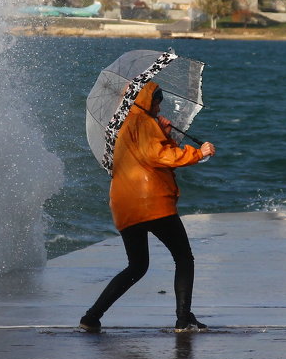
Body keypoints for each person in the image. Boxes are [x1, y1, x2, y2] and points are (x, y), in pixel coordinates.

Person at [80, 81, 216, 334]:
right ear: (144, 100)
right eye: (157, 98)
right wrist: (199, 153)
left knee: (137, 266)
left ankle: (92, 316)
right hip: (151, 202)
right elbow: (160, 157)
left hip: (124, 205)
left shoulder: (122, 124)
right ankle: (183, 319)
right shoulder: (143, 122)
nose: (159, 104)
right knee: (184, 258)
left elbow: (147, 153)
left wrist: (163, 133)